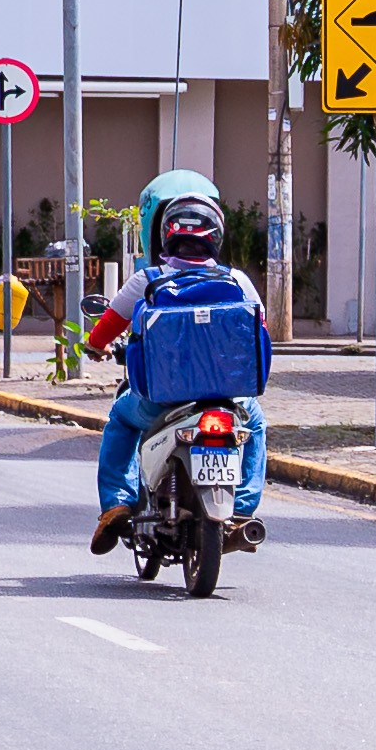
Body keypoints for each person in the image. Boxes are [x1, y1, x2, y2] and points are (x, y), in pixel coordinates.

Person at [88, 185, 273, 553]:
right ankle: (242, 510)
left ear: (167, 235)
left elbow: (105, 329)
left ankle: (116, 504)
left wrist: (96, 347)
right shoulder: (238, 281)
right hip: (228, 400)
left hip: (159, 402)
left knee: (121, 420)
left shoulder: (148, 280)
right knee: (255, 425)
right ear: (215, 238)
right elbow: (259, 332)